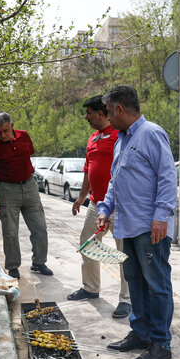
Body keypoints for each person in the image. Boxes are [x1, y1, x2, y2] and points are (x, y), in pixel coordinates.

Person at [96, 85, 177, 359]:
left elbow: (168, 176)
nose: (106, 117)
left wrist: (161, 216)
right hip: (127, 226)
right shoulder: (122, 139)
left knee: (157, 285)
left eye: (108, 111)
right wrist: (105, 209)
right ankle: (141, 334)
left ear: (119, 110)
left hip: (149, 226)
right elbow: (114, 180)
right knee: (136, 282)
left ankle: (160, 343)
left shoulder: (151, 133)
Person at [68, 95, 131, 319]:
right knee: (87, 244)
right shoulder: (93, 137)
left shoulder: (120, 135)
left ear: (102, 113)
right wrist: (80, 197)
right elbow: (88, 169)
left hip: (119, 206)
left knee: (124, 252)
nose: (86, 117)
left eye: (89, 113)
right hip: (96, 203)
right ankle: (90, 288)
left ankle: (126, 299)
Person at [0, 112, 53, 279]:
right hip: (7, 190)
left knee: (40, 227)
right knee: (10, 231)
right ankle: (13, 266)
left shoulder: (24, 136)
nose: (2, 135)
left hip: (29, 186)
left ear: (12, 126)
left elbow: (29, 154)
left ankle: (39, 262)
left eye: (5, 130)